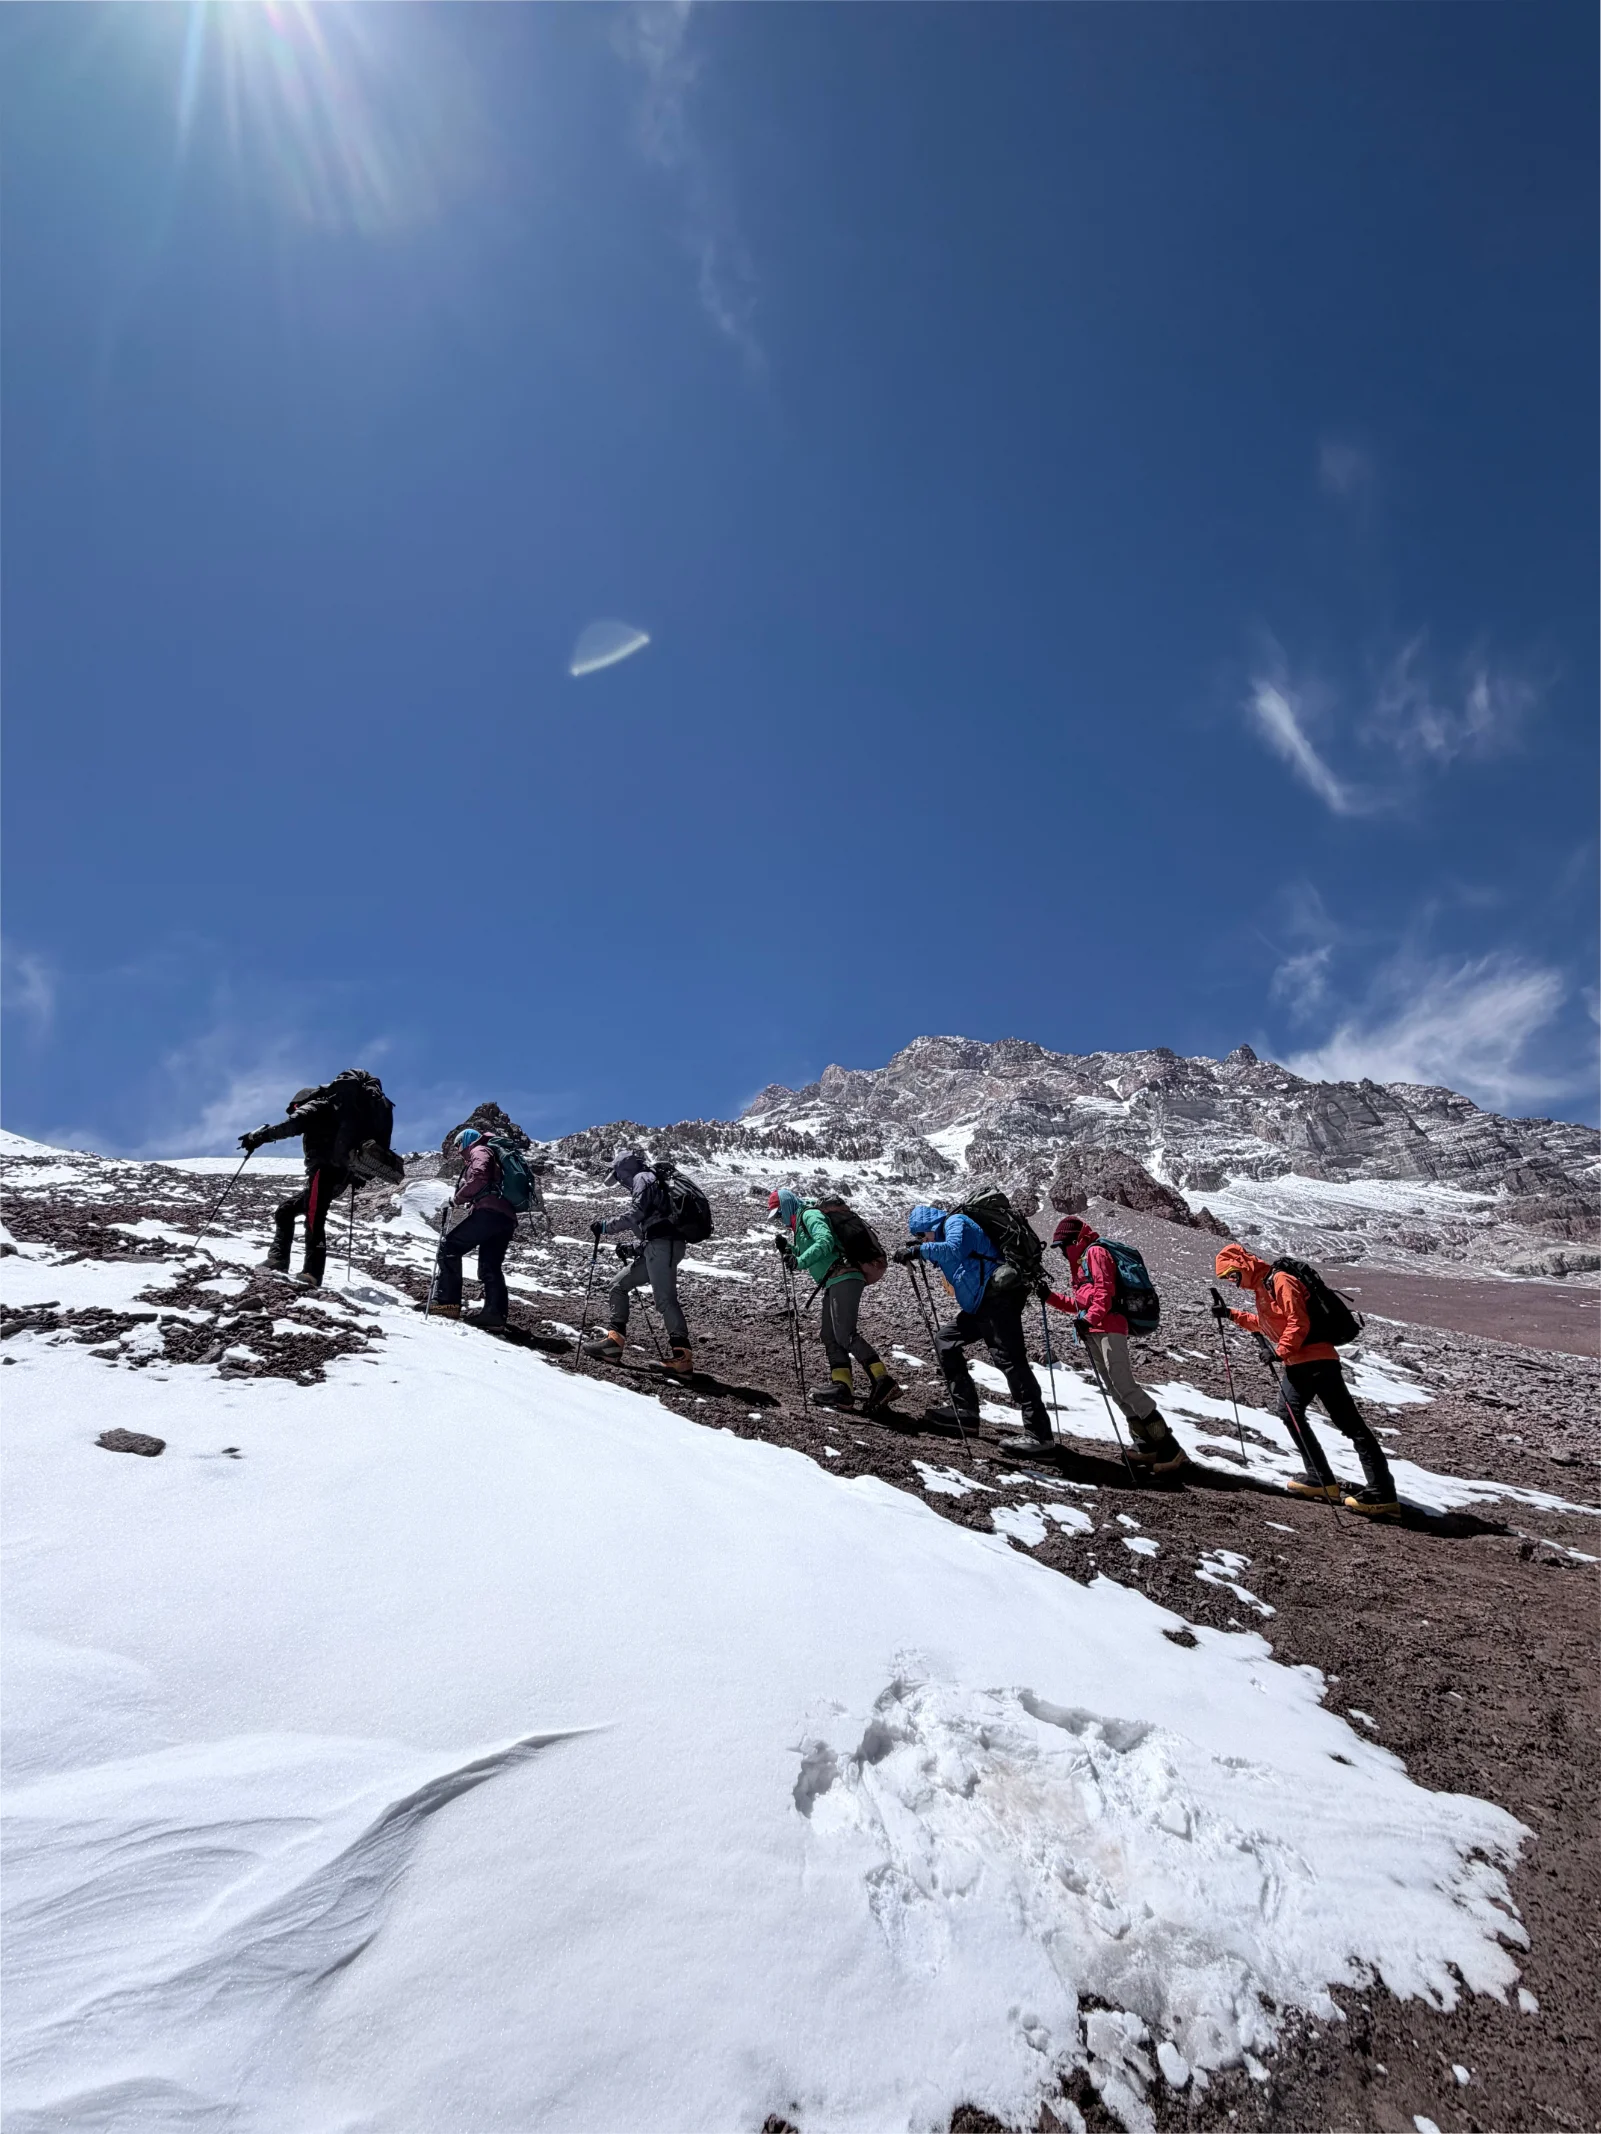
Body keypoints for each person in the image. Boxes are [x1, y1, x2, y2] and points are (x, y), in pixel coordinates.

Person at [1213, 1243, 1399, 1517]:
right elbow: (1269, 1325)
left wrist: (1278, 1352)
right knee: (1294, 1412)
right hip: (1302, 1362)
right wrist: (1231, 1315)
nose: (1232, 1282)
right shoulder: (1263, 1287)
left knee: (1347, 1425)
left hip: (1315, 1361)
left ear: (1243, 1265)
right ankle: (1323, 1479)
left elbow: (1298, 1322)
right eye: (1227, 1278)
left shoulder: (1280, 1280)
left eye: (1231, 1274)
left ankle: (1379, 1493)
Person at [894, 1202, 1051, 1443]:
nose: (922, 1238)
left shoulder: (957, 1223)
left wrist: (920, 1250)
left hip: (998, 1302)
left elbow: (954, 1249)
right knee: (946, 1340)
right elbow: (954, 1257)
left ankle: (1039, 1435)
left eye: (921, 1233)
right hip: (981, 1306)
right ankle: (965, 1414)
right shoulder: (944, 1232)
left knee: (1011, 1361)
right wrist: (923, 1248)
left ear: (929, 1226)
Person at [1047, 1217, 1186, 1473]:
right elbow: (1079, 1303)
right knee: (1114, 1389)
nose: (1063, 1251)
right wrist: (1049, 1297)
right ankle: (1147, 1446)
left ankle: (1170, 1449)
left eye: (1063, 1245)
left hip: (1110, 1328)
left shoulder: (1096, 1252)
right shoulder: (1080, 1263)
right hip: (1095, 1329)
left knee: (1125, 1386)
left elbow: (1105, 1292)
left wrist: (1089, 1319)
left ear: (1075, 1240)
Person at [240, 1070, 392, 1289]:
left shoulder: (318, 1106)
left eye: (295, 1107)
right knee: (286, 1210)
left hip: (324, 1170)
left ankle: (312, 1273)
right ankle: (278, 1259)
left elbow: (290, 1126)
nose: (295, 1111)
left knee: (313, 1217)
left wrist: (259, 1137)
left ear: (301, 1101)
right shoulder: (342, 1110)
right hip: (342, 1176)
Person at [769, 1187, 898, 1413]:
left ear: (788, 1204)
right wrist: (789, 1249)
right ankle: (842, 1388)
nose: (780, 1219)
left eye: (779, 1213)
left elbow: (825, 1242)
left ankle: (883, 1380)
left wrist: (799, 1261)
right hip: (834, 1280)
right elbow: (813, 1249)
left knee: (844, 1334)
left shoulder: (809, 1215)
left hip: (844, 1276)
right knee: (829, 1335)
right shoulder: (801, 1223)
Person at [583, 1147, 694, 1375]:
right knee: (618, 1285)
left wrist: (605, 1226)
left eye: (619, 1176)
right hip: (661, 1246)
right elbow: (656, 1224)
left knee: (665, 1300)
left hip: (663, 1246)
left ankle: (682, 1359)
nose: (621, 1182)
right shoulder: (651, 1180)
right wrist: (634, 1248)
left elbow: (637, 1213)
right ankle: (613, 1345)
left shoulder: (642, 1178)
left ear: (624, 1171)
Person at [429, 1129, 518, 1327]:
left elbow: (479, 1177)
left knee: (449, 1248)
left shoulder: (479, 1150)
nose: (458, 1151)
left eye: (458, 1145)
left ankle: (447, 1304)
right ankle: (495, 1315)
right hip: (505, 1218)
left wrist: (456, 1199)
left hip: (489, 1213)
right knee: (490, 1265)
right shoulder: (492, 1153)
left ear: (466, 1141)